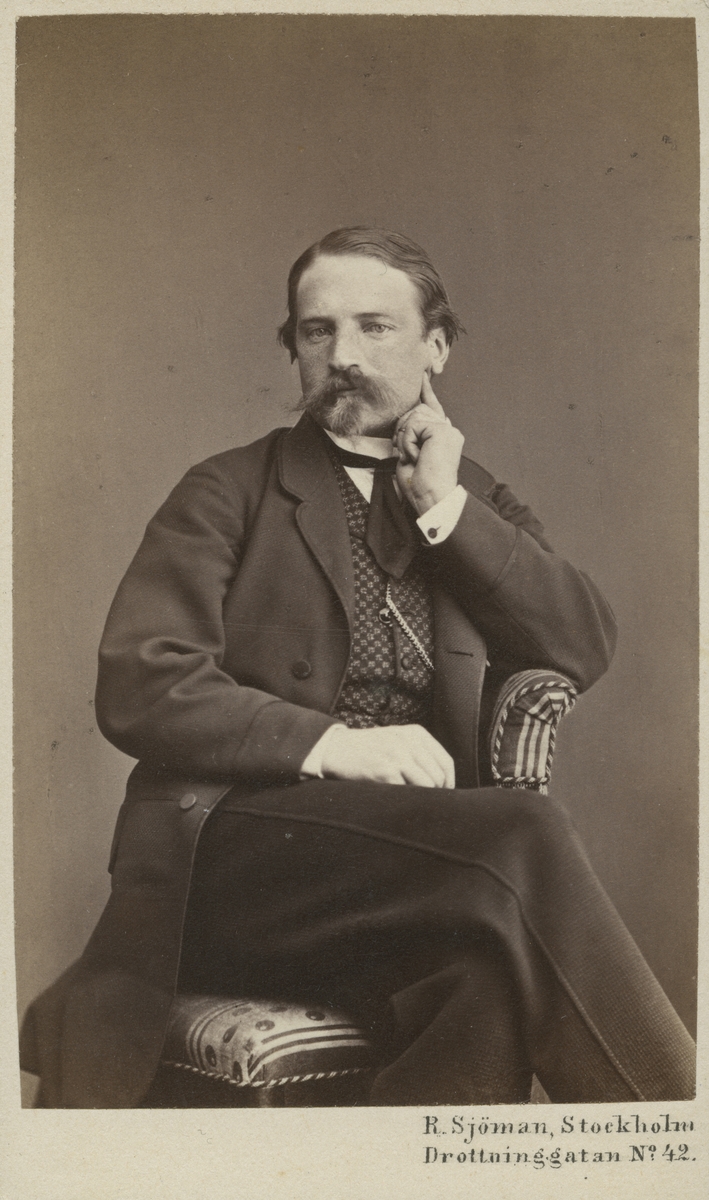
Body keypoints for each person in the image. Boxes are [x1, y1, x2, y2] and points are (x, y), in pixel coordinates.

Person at [20, 227, 695, 1108]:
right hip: (228, 858)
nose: (342, 355)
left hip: (401, 874)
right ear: (294, 348)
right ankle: (671, 1127)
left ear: (436, 347)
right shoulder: (226, 489)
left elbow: (580, 642)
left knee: (486, 983)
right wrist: (334, 743)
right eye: (317, 330)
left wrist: (444, 505)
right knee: (520, 831)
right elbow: (142, 681)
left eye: (374, 327)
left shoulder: (471, 498)